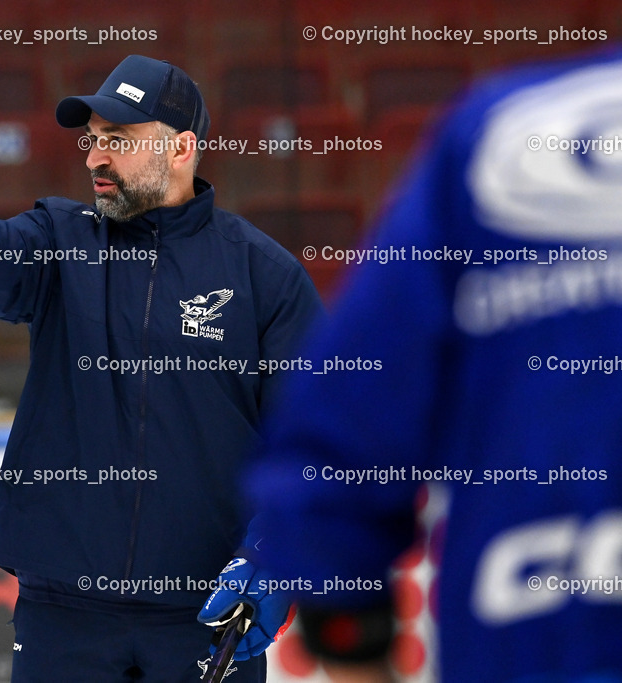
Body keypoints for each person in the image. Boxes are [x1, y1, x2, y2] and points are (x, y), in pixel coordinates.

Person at [0, 55, 322, 681]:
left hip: (206, 611)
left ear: (182, 147)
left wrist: (271, 555)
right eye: (93, 140)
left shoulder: (264, 276)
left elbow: (313, 440)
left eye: (119, 141)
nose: (94, 159)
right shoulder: (60, 237)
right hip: (62, 613)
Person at [243, 47, 622, 682]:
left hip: (539, 630)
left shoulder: (501, 127)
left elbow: (335, 439)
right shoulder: (497, 135)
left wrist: (348, 634)